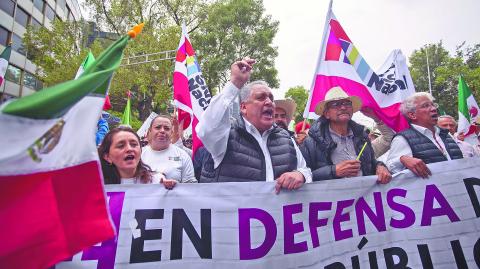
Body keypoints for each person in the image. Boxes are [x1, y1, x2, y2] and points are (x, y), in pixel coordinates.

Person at [197, 58, 312, 193]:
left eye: (271, 98)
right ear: (244, 107)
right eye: (261, 97)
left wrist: (301, 175)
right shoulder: (226, 137)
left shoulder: (287, 139)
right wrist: (235, 83)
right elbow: (206, 129)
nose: (269, 102)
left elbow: (306, 170)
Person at [300, 86, 391, 184]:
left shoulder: (362, 137)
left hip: (364, 198)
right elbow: (303, 176)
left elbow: (371, 163)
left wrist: (380, 166)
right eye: (336, 104)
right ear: (327, 114)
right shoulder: (311, 143)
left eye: (347, 103)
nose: (343, 107)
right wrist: (334, 171)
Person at [386, 93, 463, 177]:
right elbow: (391, 166)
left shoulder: (446, 134)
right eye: (425, 106)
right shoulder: (402, 139)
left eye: (433, 105)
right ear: (412, 115)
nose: (433, 109)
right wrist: (402, 159)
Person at [98, 126, 176, 188]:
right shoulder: (98, 187)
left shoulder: (156, 181)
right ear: (107, 156)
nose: (129, 149)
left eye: (134, 144)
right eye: (121, 146)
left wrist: (169, 191)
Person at [142, 115, 197, 183]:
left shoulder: (182, 156)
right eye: (158, 127)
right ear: (150, 131)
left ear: (171, 132)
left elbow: (190, 184)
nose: (162, 131)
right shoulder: (139, 154)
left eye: (167, 128)